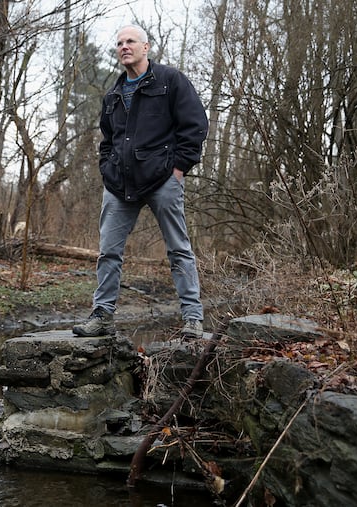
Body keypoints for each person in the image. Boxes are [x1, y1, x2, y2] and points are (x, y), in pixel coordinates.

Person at [72, 24, 208, 339]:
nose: (124, 46)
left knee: (178, 249)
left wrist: (179, 168)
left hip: (163, 179)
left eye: (130, 41)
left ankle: (193, 319)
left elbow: (195, 124)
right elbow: (107, 140)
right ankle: (102, 316)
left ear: (146, 47)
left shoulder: (170, 81)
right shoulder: (113, 95)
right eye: (119, 42)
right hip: (119, 184)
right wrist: (107, 169)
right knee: (108, 250)